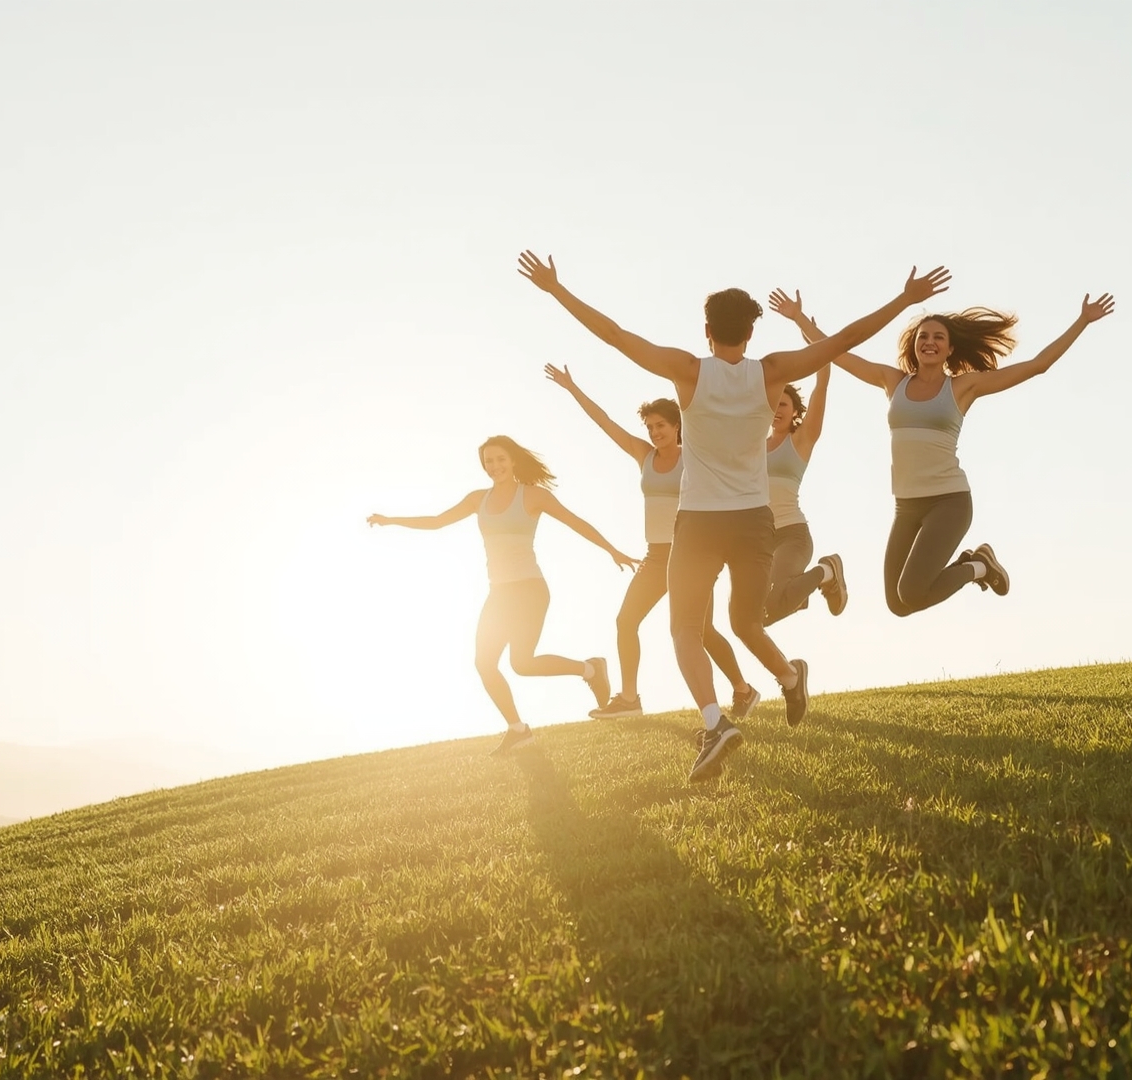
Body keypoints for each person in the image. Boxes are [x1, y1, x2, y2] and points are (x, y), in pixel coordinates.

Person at [518, 251, 950, 781]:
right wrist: (906, 300)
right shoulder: (772, 373)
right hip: (753, 522)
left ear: (706, 331)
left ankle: (715, 722)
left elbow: (614, 335)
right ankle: (790, 679)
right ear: (750, 332)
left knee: (684, 629)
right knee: (746, 622)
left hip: (699, 522)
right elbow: (841, 342)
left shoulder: (687, 371)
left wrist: (557, 290)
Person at [772, 289, 1116, 616]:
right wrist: (800, 319)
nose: (929, 342)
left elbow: (1037, 365)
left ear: (950, 349)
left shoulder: (963, 387)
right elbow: (837, 351)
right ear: (914, 344)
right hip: (907, 505)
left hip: (949, 502)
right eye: (923, 336)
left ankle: (977, 567)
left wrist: (1082, 321)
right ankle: (976, 564)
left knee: (911, 592)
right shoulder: (894, 382)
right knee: (898, 603)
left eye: (938, 337)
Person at [367, 435, 639, 755]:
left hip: (529, 589)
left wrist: (612, 550)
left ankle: (591, 669)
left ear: (512, 461)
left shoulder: (533, 496)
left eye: (499, 459)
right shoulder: (477, 499)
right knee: (484, 662)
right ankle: (518, 729)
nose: (494, 466)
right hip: (498, 593)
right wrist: (391, 520)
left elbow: (575, 522)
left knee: (522, 663)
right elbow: (437, 521)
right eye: (488, 461)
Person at [543, 364, 761, 719]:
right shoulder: (643, 456)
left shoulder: (695, 457)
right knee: (626, 620)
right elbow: (605, 422)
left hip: (693, 556)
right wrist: (572, 388)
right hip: (656, 557)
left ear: (678, 426)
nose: (655, 432)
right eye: (650, 427)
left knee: (701, 632)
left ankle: (743, 689)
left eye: (661, 425)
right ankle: (629, 699)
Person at [759, 295, 846, 624]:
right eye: (773, 404)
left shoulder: (801, 440)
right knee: (757, 615)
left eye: (785, 404)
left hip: (792, 535)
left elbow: (824, 374)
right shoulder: (753, 446)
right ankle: (799, 594)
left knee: (775, 600)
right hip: (761, 542)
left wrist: (800, 321)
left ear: (795, 412)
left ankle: (827, 570)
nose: (777, 410)